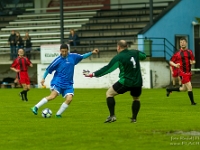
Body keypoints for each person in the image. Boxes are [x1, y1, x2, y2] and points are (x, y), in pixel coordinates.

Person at [83, 40, 146, 123]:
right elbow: (144, 56)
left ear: (118, 47)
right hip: (137, 82)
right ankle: (134, 119)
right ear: (127, 46)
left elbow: (108, 68)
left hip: (125, 82)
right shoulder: (135, 52)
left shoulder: (119, 57)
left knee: (109, 93)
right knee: (136, 98)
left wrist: (92, 74)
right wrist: (137, 53)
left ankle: (112, 116)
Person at [31, 44, 99, 118]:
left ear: (68, 51)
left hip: (68, 83)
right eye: (62, 51)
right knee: (53, 96)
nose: (63, 53)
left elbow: (83, 56)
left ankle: (58, 114)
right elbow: (48, 69)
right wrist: (43, 78)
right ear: (60, 51)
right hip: (58, 81)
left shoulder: (73, 56)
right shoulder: (58, 60)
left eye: (65, 51)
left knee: (69, 99)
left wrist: (92, 52)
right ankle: (36, 107)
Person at [166, 37, 196, 105]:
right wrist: (175, 65)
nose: (182, 43)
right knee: (189, 86)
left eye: (183, 42)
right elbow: (170, 61)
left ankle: (169, 89)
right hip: (182, 73)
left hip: (188, 72)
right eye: (180, 42)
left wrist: (193, 62)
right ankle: (192, 103)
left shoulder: (190, 51)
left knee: (183, 89)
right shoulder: (177, 53)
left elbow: (194, 60)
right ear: (179, 44)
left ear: (186, 43)